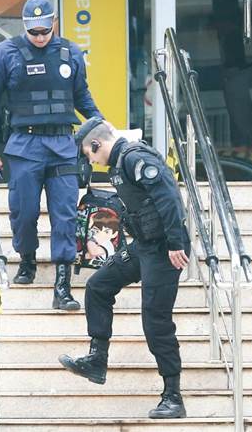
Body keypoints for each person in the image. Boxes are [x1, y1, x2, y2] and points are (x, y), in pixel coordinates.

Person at [59, 117, 190, 419]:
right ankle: (97, 360)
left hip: (164, 249)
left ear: (96, 144)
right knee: (98, 286)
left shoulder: (134, 158)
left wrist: (174, 244)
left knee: (155, 321)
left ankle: (173, 397)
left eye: (89, 154)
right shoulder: (120, 164)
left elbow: (168, 198)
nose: (90, 160)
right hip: (144, 246)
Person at [0, 0, 103, 310]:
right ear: (24, 26)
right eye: (33, 31)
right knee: (24, 212)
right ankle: (27, 259)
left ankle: (62, 287)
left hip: (62, 144)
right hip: (24, 145)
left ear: (54, 23)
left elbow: (82, 97)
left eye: (44, 30)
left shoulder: (70, 53)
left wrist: (103, 131)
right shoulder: (4, 53)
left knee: (64, 215)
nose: (39, 37)